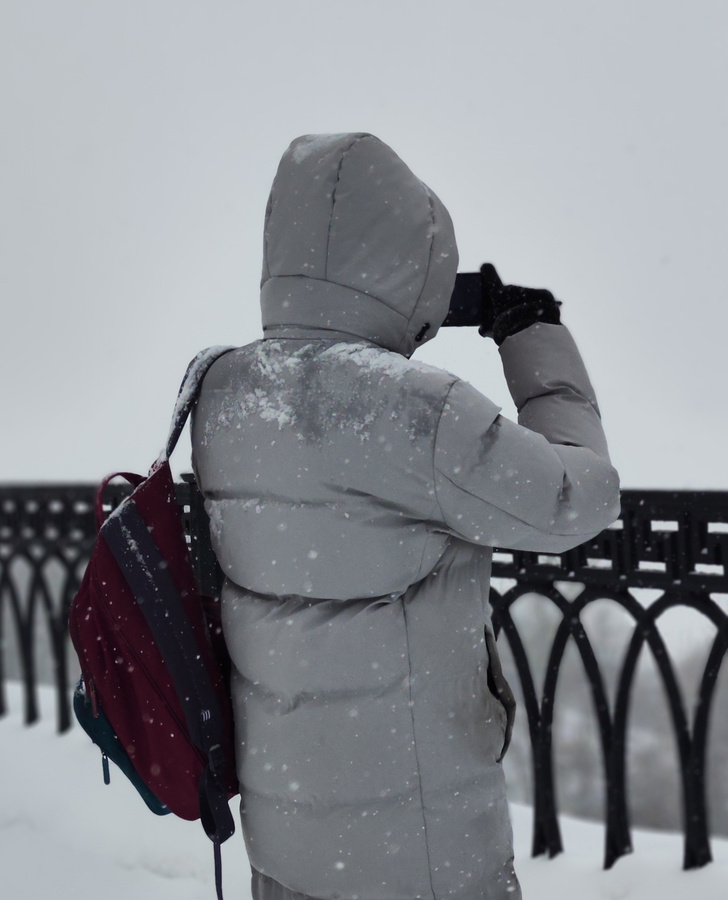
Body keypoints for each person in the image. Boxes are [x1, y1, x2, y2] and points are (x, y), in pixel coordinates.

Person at [191, 133, 620, 900]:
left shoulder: (224, 393)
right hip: (417, 851)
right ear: (411, 271)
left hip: (286, 834)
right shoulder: (413, 410)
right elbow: (576, 499)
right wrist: (534, 336)